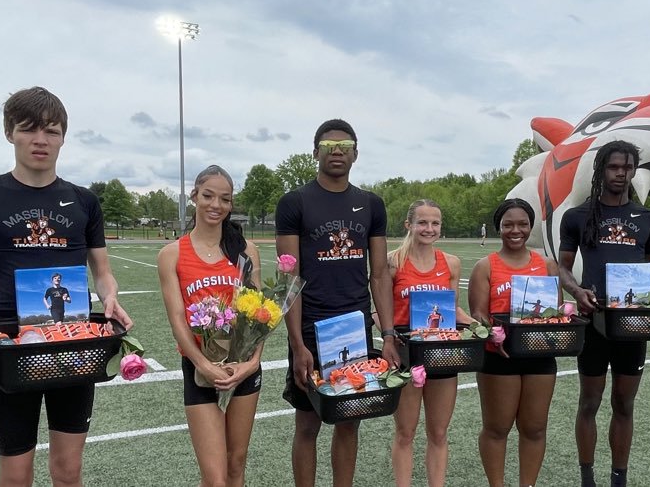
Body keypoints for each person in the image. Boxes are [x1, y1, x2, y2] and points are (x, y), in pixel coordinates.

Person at [0, 86, 134, 487]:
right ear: (9, 133)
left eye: (51, 131)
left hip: (74, 342)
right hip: (12, 345)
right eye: (28, 129)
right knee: (16, 474)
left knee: (68, 470)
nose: (40, 140)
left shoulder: (83, 200)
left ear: (63, 137)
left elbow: (102, 271)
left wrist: (110, 296)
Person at [558, 140, 650, 487]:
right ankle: (587, 477)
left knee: (624, 404)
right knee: (589, 402)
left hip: (634, 323)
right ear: (601, 170)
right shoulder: (577, 216)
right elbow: (563, 268)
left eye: (628, 167)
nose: (621, 173)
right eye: (614, 167)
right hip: (595, 322)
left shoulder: (647, 218)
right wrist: (576, 291)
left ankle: (619, 479)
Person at [277, 119, 396, 487]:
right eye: (329, 146)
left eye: (345, 145)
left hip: (355, 329)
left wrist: (389, 334)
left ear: (356, 153)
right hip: (311, 327)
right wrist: (297, 345)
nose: (337, 151)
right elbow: (288, 279)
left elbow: (378, 274)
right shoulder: (294, 202)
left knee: (349, 421)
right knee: (308, 423)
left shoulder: (371, 204)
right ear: (316, 153)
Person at [156, 164, 264, 487]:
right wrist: (204, 365)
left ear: (231, 205)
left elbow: (260, 315)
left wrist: (252, 363)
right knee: (214, 477)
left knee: (236, 465)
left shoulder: (246, 251)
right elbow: (178, 320)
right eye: (208, 196)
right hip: (200, 371)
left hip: (243, 369)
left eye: (225, 199)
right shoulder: (171, 254)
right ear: (194, 196)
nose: (216, 205)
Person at [469, 198, 561, 487]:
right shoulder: (485, 266)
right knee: (497, 428)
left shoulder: (547, 265)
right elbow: (478, 314)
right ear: (499, 227)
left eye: (522, 224)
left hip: (540, 355)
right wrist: (492, 334)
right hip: (499, 357)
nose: (515, 230)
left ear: (530, 226)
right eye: (508, 224)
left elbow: (555, 311)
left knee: (534, 428)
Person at [385, 199, 472, 487]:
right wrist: (392, 336)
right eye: (422, 222)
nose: (429, 228)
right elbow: (379, 309)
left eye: (435, 223)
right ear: (408, 225)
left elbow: (453, 310)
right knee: (405, 433)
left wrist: (480, 327)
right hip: (406, 356)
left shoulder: (451, 263)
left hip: (442, 355)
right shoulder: (393, 262)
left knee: (438, 433)